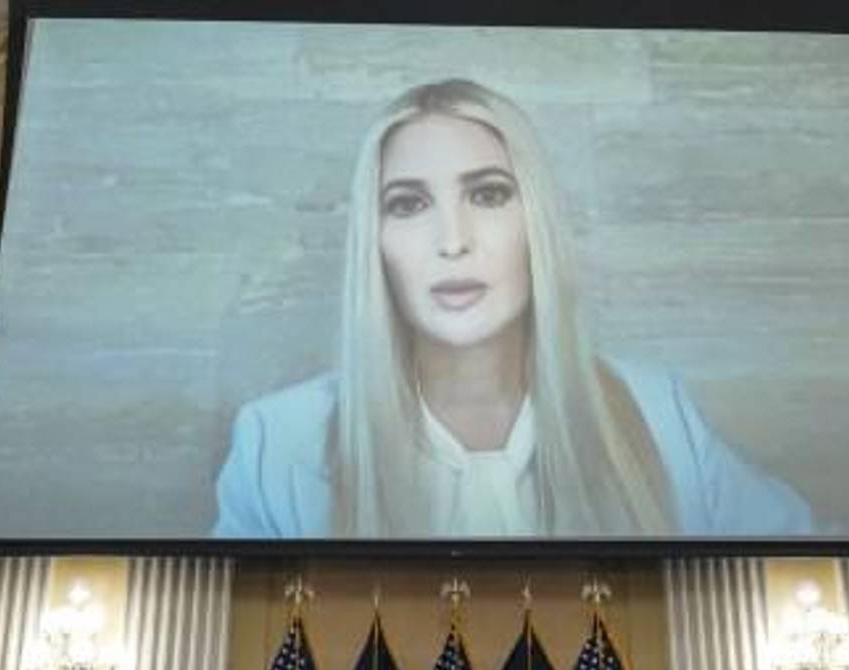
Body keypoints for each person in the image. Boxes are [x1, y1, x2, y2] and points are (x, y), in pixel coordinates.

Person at [214, 78, 817, 540]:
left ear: (538, 224)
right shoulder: (275, 442)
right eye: (407, 204)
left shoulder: (662, 414)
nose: (453, 240)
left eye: (489, 194)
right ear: (374, 243)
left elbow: (812, 557)